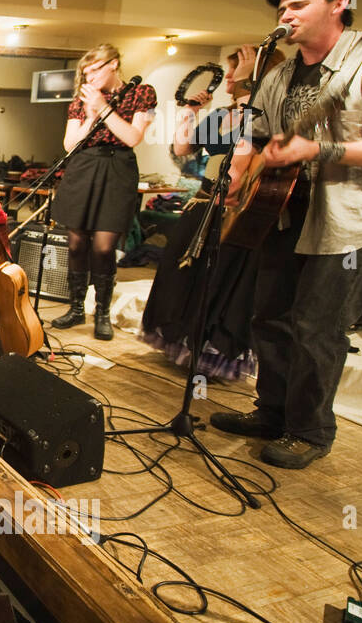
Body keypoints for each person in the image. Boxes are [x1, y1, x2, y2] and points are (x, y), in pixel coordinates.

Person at [209, 0, 362, 469]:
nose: (286, 15)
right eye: (282, 9)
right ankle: (271, 411)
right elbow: (257, 133)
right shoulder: (279, 74)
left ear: (340, 3)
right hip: (280, 211)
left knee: (317, 328)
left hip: (351, 221)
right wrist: (238, 173)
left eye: (299, 4)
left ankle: (310, 430)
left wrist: (319, 148)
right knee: (268, 318)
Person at [139, 44, 284, 380]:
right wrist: (190, 111)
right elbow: (183, 149)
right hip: (204, 200)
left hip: (231, 211)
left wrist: (252, 87)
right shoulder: (225, 112)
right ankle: (183, 341)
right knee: (183, 275)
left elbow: (239, 169)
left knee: (213, 280)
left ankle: (207, 352)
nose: (228, 76)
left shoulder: (262, 115)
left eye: (236, 70)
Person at [49, 44, 158, 340]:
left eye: (95, 70)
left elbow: (132, 137)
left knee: (103, 246)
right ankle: (74, 308)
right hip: (84, 166)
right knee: (75, 243)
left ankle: (102, 312)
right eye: (85, 73)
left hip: (118, 167)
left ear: (113, 64)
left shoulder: (142, 93)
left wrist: (103, 108)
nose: (90, 77)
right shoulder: (82, 99)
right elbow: (70, 144)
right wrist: (89, 112)